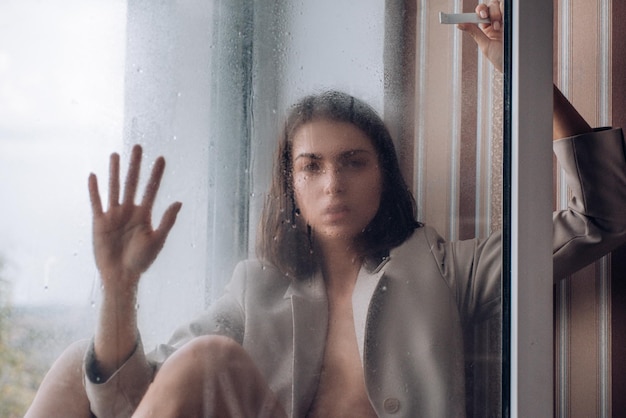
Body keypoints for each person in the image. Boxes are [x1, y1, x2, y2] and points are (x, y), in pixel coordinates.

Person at [25, 2, 626, 417]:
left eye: (354, 161)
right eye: (311, 166)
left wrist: (517, 70)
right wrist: (120, 285)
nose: (332, 183)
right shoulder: (255, 287)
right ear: (290, 184)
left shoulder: (440, 267)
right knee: (78, 365)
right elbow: (123, 402)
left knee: (204, 358)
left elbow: (603, 217)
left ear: (384, 175)